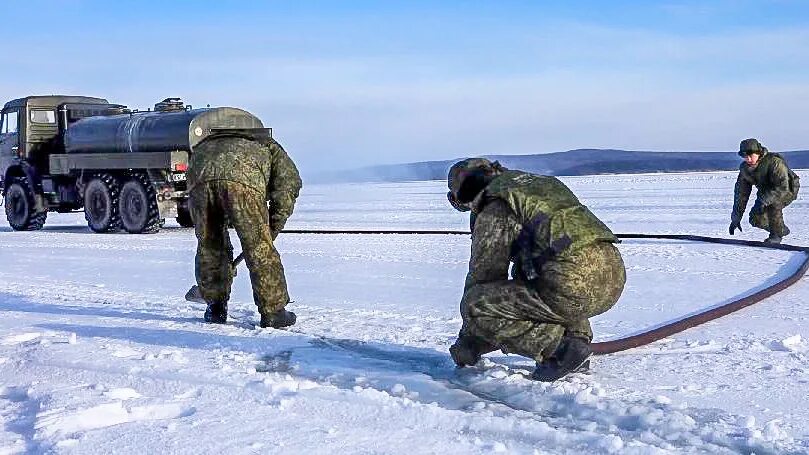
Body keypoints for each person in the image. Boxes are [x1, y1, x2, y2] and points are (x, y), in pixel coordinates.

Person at [446, 158, 626, 381]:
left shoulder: (496, 206)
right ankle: (576, 340)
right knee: (530, 278)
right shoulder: (537, 187)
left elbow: (485, 275)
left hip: (571, 286)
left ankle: (560, 351)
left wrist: (469, 340)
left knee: (475, 305)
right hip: (613, 277)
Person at [187, 128, 302, 328]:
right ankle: (273, 312)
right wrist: (273, 226)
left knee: (210, 244)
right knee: (259, 248)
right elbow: (287, 188)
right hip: (242, 180)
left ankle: (215, 307)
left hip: (200, 173)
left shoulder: (208, 144)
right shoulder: (270, 147)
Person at [729, 138, 800, 244]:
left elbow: (782, 187)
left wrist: (763, 201)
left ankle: (776, 235)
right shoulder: (745, 169)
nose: (748, 159)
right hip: (766, 191)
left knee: (773, 205)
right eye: (745, 156)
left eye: (751, 155)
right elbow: (741, 194)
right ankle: (780, 229)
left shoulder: (775, 162)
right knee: (755, 218)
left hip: (787, 189)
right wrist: (736, 217)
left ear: (758, 153)